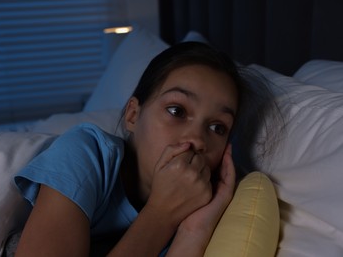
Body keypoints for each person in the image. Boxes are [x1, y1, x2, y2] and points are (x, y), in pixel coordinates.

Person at [14, 41, 277, 256]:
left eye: (218, 127)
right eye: (177, 110)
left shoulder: (205, 206)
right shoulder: (86, 153)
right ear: (132, 115)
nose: (197, 139)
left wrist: (193, 232)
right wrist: (161, 215)